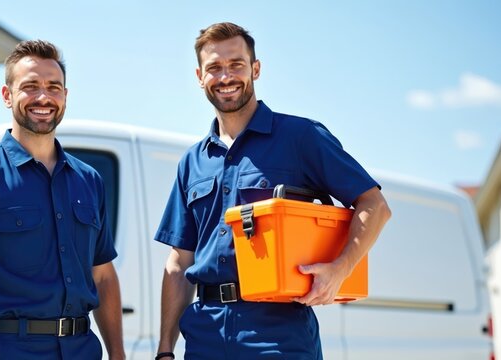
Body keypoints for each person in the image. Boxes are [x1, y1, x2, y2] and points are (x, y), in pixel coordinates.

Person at [153, 22, 391, 360]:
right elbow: (179, 263)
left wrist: (340, 269)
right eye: (214, 68)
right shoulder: (192, 162)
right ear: (199, 76)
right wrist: (165, 350)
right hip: (204, 334)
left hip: (279, 334)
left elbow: (375, 205)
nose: (225, 77)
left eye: (236, 64)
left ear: (256, 68)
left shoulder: (300, 137)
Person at [0, 39, 125, 360]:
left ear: (65, 97)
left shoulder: (89, 180)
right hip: (10, 350)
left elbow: (103, 274)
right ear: (7, 95)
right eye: (30, 86)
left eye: (53, 87)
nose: (44, 97)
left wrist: (118, 354)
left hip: (83, 349)